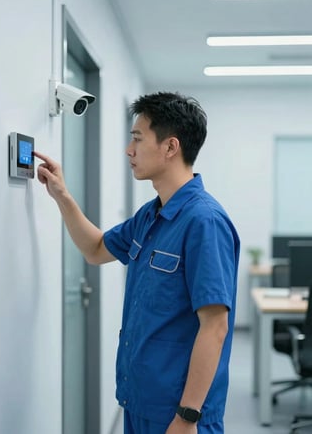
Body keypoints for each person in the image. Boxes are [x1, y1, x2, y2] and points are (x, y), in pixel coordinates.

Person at [34, 91, 240, 434]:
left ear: (170, 147)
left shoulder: (204, 222)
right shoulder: (151, 215)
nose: (129, 150)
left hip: (178, 413)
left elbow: (215, 326)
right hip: (140, 401)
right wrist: (62, 195)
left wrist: (187, 417)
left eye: (137, 138)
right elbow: (97, 249)